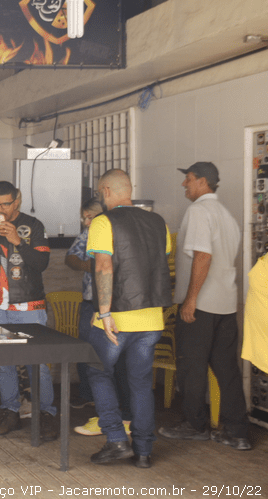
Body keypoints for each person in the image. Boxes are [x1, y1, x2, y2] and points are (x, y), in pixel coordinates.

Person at [159, 162, 251, 450]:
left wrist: (190, 300)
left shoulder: (199, 211)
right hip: (226, 305)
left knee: (191, 367)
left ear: (202, 181)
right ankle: (238, 432)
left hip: (201, 306)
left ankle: (195, 425)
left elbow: (203, 256)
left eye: (188, 179)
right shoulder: (227, 215)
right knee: (227, 369)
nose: (184, 185)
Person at [86, 169, 172, 469]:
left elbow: (104, 266)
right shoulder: (159, 222)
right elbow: (158, 263)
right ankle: (144, 450)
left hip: (116, 318)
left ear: (107, 191)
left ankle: (116, 439)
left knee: (98, 371)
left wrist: (105, 311)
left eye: (100, 191)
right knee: (141, 382)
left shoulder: (103, 222)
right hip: (152, 319)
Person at [0, 181, 58, 441]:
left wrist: (18, 241)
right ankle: (10, 412)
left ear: (17, 201)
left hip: (29, 306)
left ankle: (46, 414)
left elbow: (42, 263)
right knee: (4, 363)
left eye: (5, 204)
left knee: (38, 363)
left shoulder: (33, 225)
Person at [66, 199, 133, 437]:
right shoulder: (89, 232)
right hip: (92, 304)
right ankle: (99, 405)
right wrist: (87, 265)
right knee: (91, 358)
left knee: (114, 364)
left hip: (117, 307)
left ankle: (117, 419)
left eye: (90, 217)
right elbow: (70, 258)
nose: (87, 222)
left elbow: (108, 268)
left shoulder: (113, 230)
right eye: (83, 217)